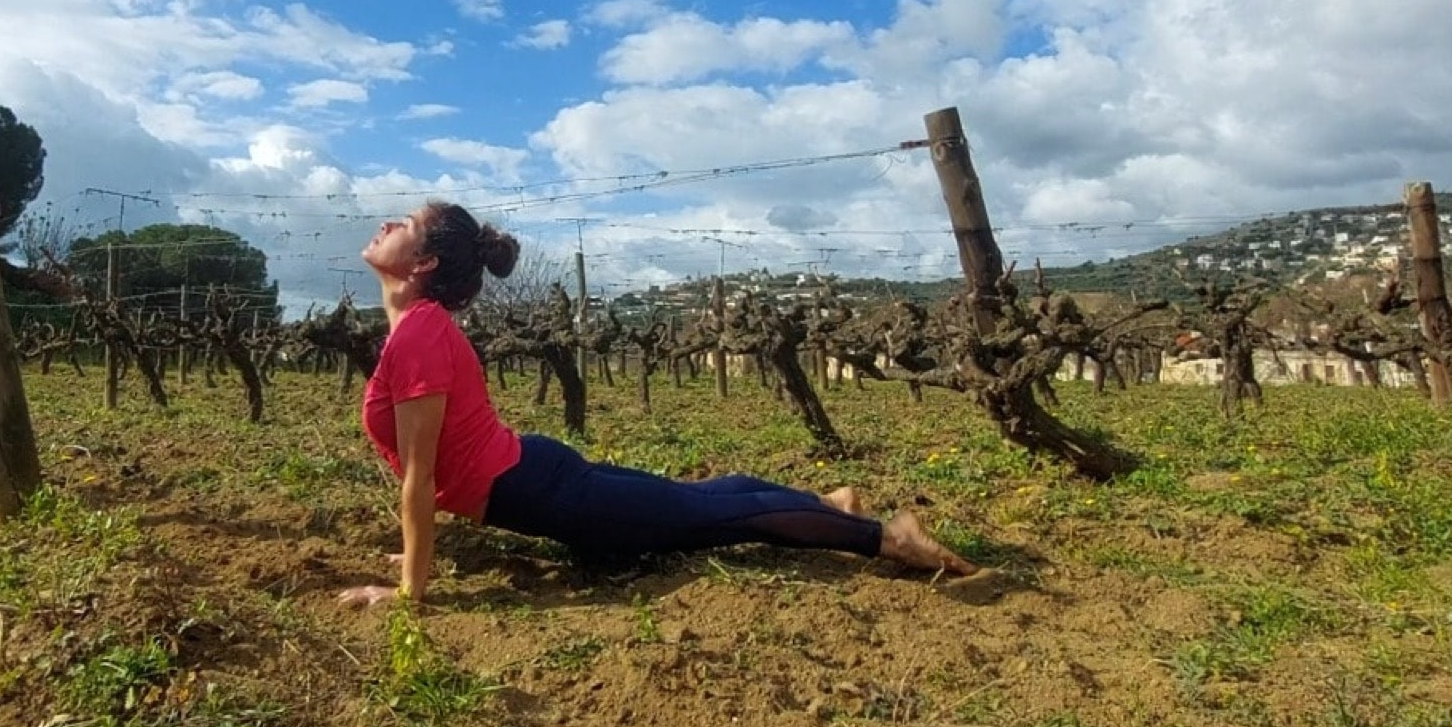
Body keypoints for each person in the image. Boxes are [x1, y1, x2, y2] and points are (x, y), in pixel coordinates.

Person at [337, 202, 978, 607]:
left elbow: (421, 479)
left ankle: (889, 540)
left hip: (544, 490)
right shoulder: (415, 328)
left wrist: (408, 588)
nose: (387, 222)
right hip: (534, 473)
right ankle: (826, 505)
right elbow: (434, 471)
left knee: (716, 519)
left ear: (422, 262)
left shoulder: (417, 332)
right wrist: (415, 551)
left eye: (406, 223)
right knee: (702, 496)